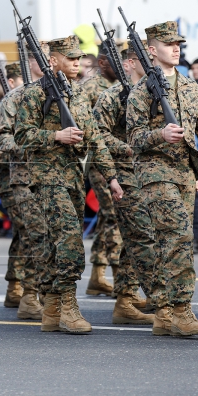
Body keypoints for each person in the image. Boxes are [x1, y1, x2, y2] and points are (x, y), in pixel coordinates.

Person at [127, 21, 198, 337]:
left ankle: (163, 312)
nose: (176, 48)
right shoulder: (141, 92)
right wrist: (159, 134)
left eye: (178, 43)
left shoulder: (190, 88)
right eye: (168, 44)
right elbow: (133, 138)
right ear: (151, 50)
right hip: (155, 173)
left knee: (170, 243)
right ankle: (181, 311)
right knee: (178, 237)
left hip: (186, 173)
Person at [15, 35, 122, 334]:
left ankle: (50, 306)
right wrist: (55, 137)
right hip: (46, 177)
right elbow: (22, 135)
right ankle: (67, 305)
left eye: (79, 58)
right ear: (53, 60)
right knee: (70, 240)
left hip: (73, 177)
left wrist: (111, 176)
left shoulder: (76, 93)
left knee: (56, 242)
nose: (78, 62)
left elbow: (95, 138)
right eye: (71, 58)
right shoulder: (34, 94)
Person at [91, 41, 159, 325]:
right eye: (144, 59)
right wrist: (126, 148)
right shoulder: (111, 97)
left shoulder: (159, 94)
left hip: (153, 175)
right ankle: (145, 296)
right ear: (130, 63)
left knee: (141, 237)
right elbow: (96, 136)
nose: (152, 63)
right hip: (123, 173)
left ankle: (127, 298)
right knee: (139, 235)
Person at [0, 43, 50, 321]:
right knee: (33, 233)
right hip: (21, 179)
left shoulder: (59, 92)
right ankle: (29, 295)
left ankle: (47, 294)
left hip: (53, 177)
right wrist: (32, 144)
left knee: (46, 236)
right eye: (41, 58)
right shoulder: (16, 98)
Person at [0, 63, 42, 318]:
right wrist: (19, 147)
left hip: (36, 178)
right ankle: (26, 291)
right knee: (29, 232)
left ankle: (15, 286)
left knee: (24, 233)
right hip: (10, 181)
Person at [78, 44, 122, 297]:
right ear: (103, 62)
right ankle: (120, 280)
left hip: (119, 161)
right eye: (116, 60)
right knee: (115, 214)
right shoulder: (91, 88)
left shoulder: (123, 84)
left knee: (108, 217)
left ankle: (97, 276)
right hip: (99, 161)